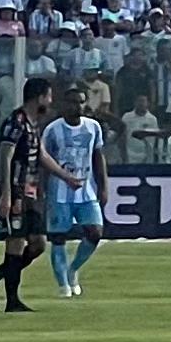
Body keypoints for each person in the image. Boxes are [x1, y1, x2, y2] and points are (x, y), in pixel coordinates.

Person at [0, 82, 52, 312]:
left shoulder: (33, 124)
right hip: (16, 190)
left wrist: (66, 176)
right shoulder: (16, 121)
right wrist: (7, 194)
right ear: (39, 98)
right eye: (49, 97)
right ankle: (13, 300)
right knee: (16, 242)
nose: (50, 102)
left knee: (38, 244)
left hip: (31, 191)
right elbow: (5, 155)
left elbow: (40, 154)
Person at [40, 88, 112, 300]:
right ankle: (63, 284)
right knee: (58, 237)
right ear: (64, 104)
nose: (77, 106)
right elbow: (44, 160)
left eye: (80, 102)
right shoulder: (53, 130)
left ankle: (73, 269)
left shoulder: (93, 127)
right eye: (72, 102)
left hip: (86, 191)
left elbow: (98, 157)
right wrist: (42, 191)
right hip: (59, 191)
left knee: (95, 232)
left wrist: (104, 185)